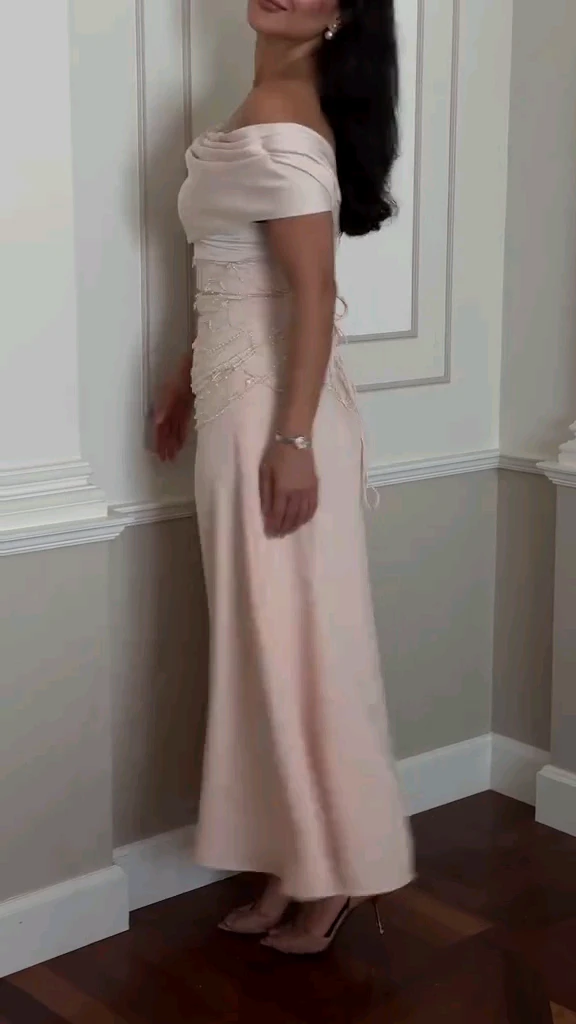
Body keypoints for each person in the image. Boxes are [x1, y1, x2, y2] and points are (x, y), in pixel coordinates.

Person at [154, 0, 413, 956]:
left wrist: (294, 438)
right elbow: (237, 270)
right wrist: (186, 374)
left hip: (277, 422)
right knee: (264, 650)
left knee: (302, 650)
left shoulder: (287, 120)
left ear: (340, 17)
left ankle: (334, 876)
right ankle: (289, 864)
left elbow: (314, 295)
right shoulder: (259, 104)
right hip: (238, 411)